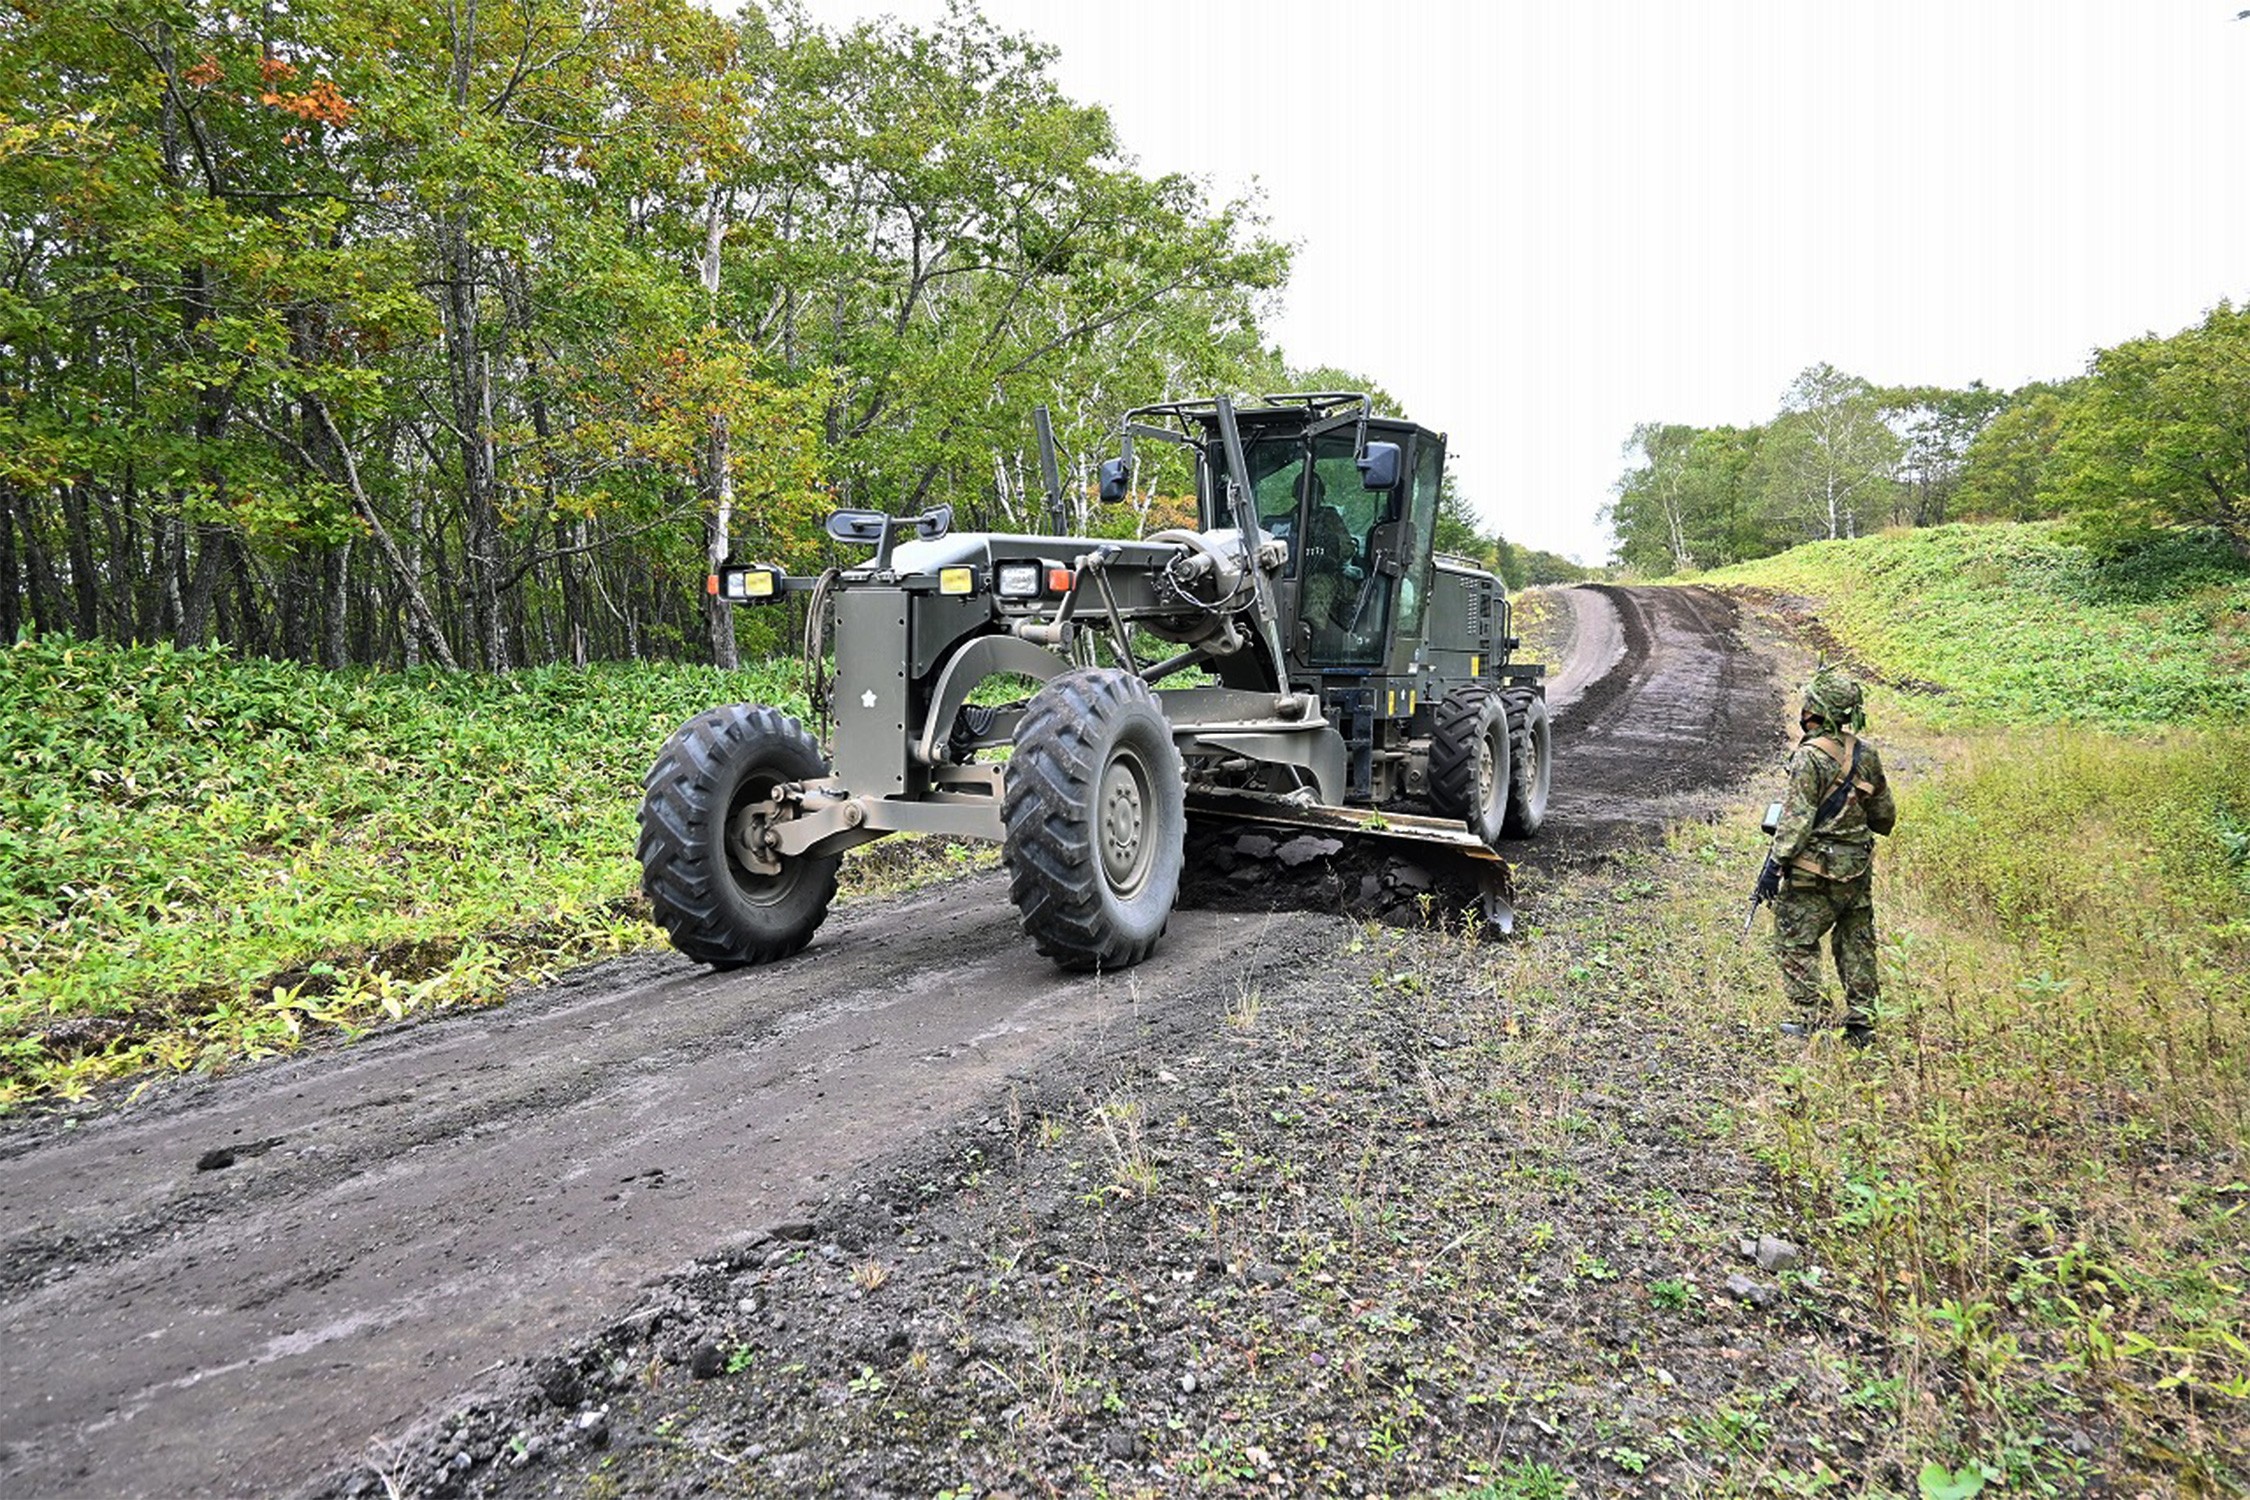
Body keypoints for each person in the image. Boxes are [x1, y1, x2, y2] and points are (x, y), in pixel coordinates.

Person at [1762, 666, 1897, 1047]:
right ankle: (1862, 1023)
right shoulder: (1867, 754)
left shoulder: (1809, 758)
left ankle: (1811, 1018)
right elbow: (1884, 816)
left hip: (1813, 871)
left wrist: (1776, 865)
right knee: (1857, 940)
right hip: (1857, 869)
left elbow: (1797, 820)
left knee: (1794, 937)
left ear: (1815, 711)